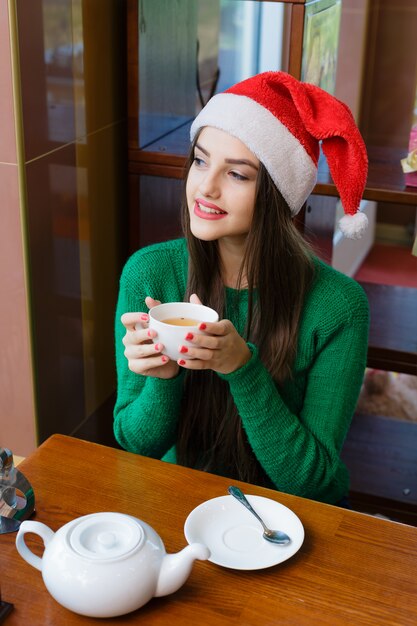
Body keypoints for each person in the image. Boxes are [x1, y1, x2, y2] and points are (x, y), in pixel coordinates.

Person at [114, 71, 369, 505]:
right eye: (200, 160)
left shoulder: (338, 307)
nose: (205, 187)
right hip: (181, 505)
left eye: (237, 174)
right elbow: (137, 446)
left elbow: (315, 482)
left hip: (284, 522)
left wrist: (241, 368)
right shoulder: (150, 273)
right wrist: (163, 376)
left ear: (277, 193)